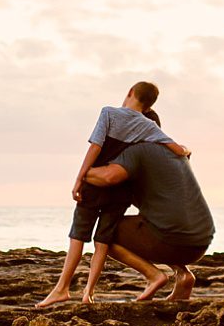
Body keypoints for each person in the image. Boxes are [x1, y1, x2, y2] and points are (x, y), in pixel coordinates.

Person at [37, 82, 191, 308]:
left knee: (78, 238)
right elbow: (177, 149)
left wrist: (80, 178)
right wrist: (186, 150)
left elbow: (95, 147)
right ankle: (88, 293)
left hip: (95, 187)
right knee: (102, 242)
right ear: (150, 105)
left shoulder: (109, 113)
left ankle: (62, 289)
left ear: (130, 92)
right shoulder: (148, 125)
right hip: (121, 194)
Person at [81, 137, 215, 302]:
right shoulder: (174, 154)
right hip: (200, 241)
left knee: (107, 234)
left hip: (174, 242)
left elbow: (109, 177)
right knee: (153, 223)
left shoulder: (138, 152)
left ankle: (153, 275)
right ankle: (183, 275)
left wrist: (84, 171)